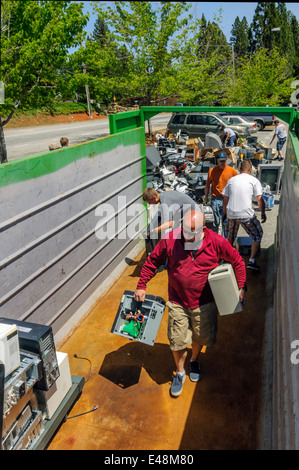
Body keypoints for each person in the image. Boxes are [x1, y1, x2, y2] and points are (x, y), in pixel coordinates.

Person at [134, 209, 246, 398]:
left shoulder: (216, 242)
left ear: (203, 229)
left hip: (205, 303)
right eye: (185, 230)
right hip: (178, 300)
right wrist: (141, 284)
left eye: (192, 232)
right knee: (177, 340)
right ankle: (180, 372)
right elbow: (153, 261)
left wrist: (241, 287)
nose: (186, 235)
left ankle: (194, 360)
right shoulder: (172, 239)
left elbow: (237, 260)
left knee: (199, 337)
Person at [222, 159, 266, 272]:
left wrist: (225, 214)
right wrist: (263, 213)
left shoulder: (231, 180)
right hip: (246, 215)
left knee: (230, 236)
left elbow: (225, 200)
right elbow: (260, 199)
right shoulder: (254, 180)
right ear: (251, 170)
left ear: (240, 169)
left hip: (231, 213)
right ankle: (251, 261)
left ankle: (228, 259)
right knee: (258, 234)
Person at [204, 153, 238, 236]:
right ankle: (214, 240)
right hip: (215, 199)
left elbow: (237, 184)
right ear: (217, 161)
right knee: (215, 222)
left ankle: (223, 242)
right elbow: (207, 184)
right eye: (220, 161)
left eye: (223, 161)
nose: (222, 163)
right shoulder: (212, 171)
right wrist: (206, 198)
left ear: (226, 160)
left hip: (227, 200)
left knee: (225, 222)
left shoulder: (232, 171)